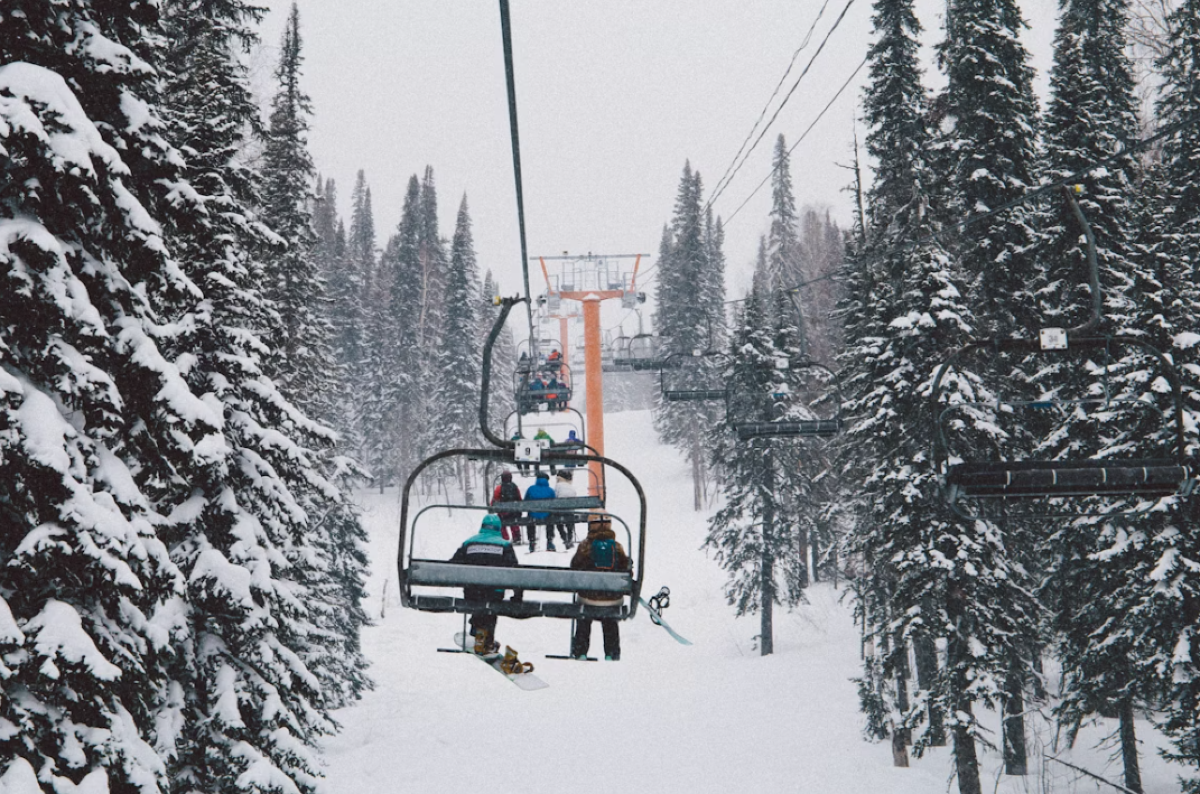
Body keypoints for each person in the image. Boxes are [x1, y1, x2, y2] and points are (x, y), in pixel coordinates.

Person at [450, 514, 521, 654]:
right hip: (494, 593)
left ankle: (477, 634)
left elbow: (452, 567)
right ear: (499, 528)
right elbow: (516, 574)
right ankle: (486, 641)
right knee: (490, 608)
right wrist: (517, 596)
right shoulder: (505, 545)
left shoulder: (469, 543)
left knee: (478, 603)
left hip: (472, 592)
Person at [570, 518, 631, 661]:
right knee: (610, 621)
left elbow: (573, 569)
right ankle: (611, 653)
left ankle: (580, 651)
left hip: (587, 598)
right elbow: (626, 571)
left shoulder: (584, 546)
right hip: (613, 600)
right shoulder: (617, 547)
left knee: (584, 617)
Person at [523, 472, 557, 552]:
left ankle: (532, 541)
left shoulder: (531, 489)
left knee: (530, 516)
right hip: (546, 515)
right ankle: (549, 541)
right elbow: (555, 504)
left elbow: (525, 502)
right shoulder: (550, 490)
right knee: (551, 517)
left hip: (533, 515)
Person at [491, 471, 523, 543]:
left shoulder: (499, 488)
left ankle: (504, 537)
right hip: (514, 513)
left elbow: (494, 500)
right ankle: (516, 536)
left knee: (500, 521)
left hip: (504, 513)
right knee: (514, 520)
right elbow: (520, 499)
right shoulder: (515, 487)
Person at [553, 470, 577, 549]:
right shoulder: (571, 487)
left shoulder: (558, 485)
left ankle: (564, 537)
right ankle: (570, 537)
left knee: (558, 522)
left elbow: (555, 497)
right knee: (570, 521)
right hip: (570, 511)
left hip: (560, 510)